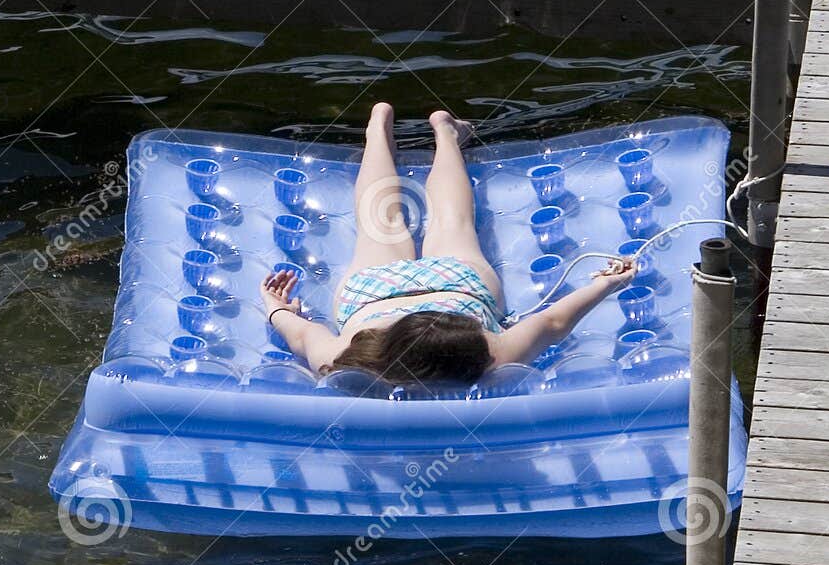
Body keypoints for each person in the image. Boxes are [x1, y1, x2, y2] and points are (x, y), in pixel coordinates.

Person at [261, 103, 636, 386]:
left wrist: (607, 282)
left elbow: (552, 322)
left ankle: (396, 132)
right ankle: (427, 131)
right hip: (373, 297)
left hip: (451, 287)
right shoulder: (489, 355)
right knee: (388, 223)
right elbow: (553, 322)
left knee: (438, 221)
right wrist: (278, 310)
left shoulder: (354, 359)